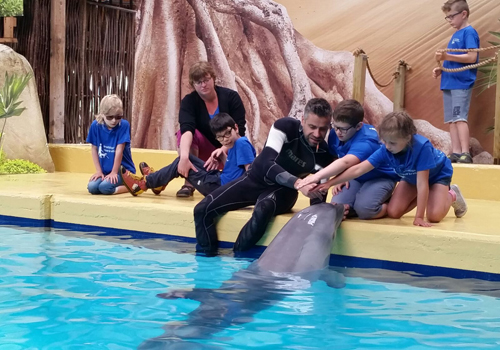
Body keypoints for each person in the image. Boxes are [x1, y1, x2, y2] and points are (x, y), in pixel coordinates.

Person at [193, 98, 338, 255]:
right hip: (255, 179)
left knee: (262, 209)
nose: (317, 134)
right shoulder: (285, 127)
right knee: (202, 210)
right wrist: (299, 183)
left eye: (323, 129)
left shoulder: (324, 154)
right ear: (302, 120)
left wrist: (324, 215)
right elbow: (267, 163)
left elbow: (318, 200)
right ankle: (207, 260)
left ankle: (237, 259)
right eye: (312, 127)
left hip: (284, 192)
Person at [299, 111, 468, 227]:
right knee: (394, 212)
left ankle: (451, 194)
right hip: (410, 177)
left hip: (435, 176)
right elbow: (358, 169)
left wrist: (418, 217)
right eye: (385, 141)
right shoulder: (387, 148)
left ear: (408, 138)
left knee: (434, 216)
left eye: (392, 143)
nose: (387, 146)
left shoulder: (421, 147)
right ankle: (433, 197)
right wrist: (330, 183)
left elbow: (423, 183)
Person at [119, 113, 256, 197]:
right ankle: (156, 181)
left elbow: (250, 173)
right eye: (220, 138)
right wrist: (222, 157)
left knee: (182, 163)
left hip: (218, 187)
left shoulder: (241, 144)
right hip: (219, 178)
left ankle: (144, 184)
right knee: (186, 158)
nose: (225, 139)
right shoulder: (233, 144)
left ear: (236, 128)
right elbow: (234, 170)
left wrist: (239, 197)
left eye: (228, 133)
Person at [314, 99, 399, 219]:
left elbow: (347, 162)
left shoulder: (368, 141)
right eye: (335, 126)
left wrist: (326, 181)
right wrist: (342, 176)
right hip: (355, 177)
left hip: (380, 176)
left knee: (365, 211)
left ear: (358, 126)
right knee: (338, 207)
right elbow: (335, 157)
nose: (338, 132)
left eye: (343, 129)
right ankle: (361, 199)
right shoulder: (336, 133)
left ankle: (390, 204)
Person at [176, 61, 247, 197]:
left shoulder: (231, 97)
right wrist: (184, 157)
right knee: (183, 134)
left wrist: (222, 150)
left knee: (238, 141)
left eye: (206, 80)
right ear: (193, 85)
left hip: (229, 149)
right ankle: (189, 183)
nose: (203, 85)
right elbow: (186, 130)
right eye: (198, 82)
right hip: (204, 151)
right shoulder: (189, 101)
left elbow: (239, 130)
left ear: (213, 78)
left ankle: (151, 181)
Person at [433, 0, 479, 164]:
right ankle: (456, 152)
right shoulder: (455, 34)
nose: (450, 20)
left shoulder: (469, 32)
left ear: (463, 14)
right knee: (451, 120)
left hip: (461, 82)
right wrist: (442, 69)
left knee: (460, 118)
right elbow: (456, 59)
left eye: (451, 16)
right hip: (449, 82)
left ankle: (466, 152)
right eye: (448, 17)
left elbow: (472, 57)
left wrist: (446, 57)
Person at [86, 94, 135, 195]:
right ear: (102, 114)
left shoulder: (123, 125)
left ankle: (133, 185)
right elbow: (94, 149)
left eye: (118, 117)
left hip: (122, 170)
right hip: (105, 171)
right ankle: (111, 179)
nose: (114, 121)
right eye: (110, 117)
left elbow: (119, 150)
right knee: (92, 188)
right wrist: (99, 171)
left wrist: (114, 172)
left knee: (105, 188)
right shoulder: (95, 126)